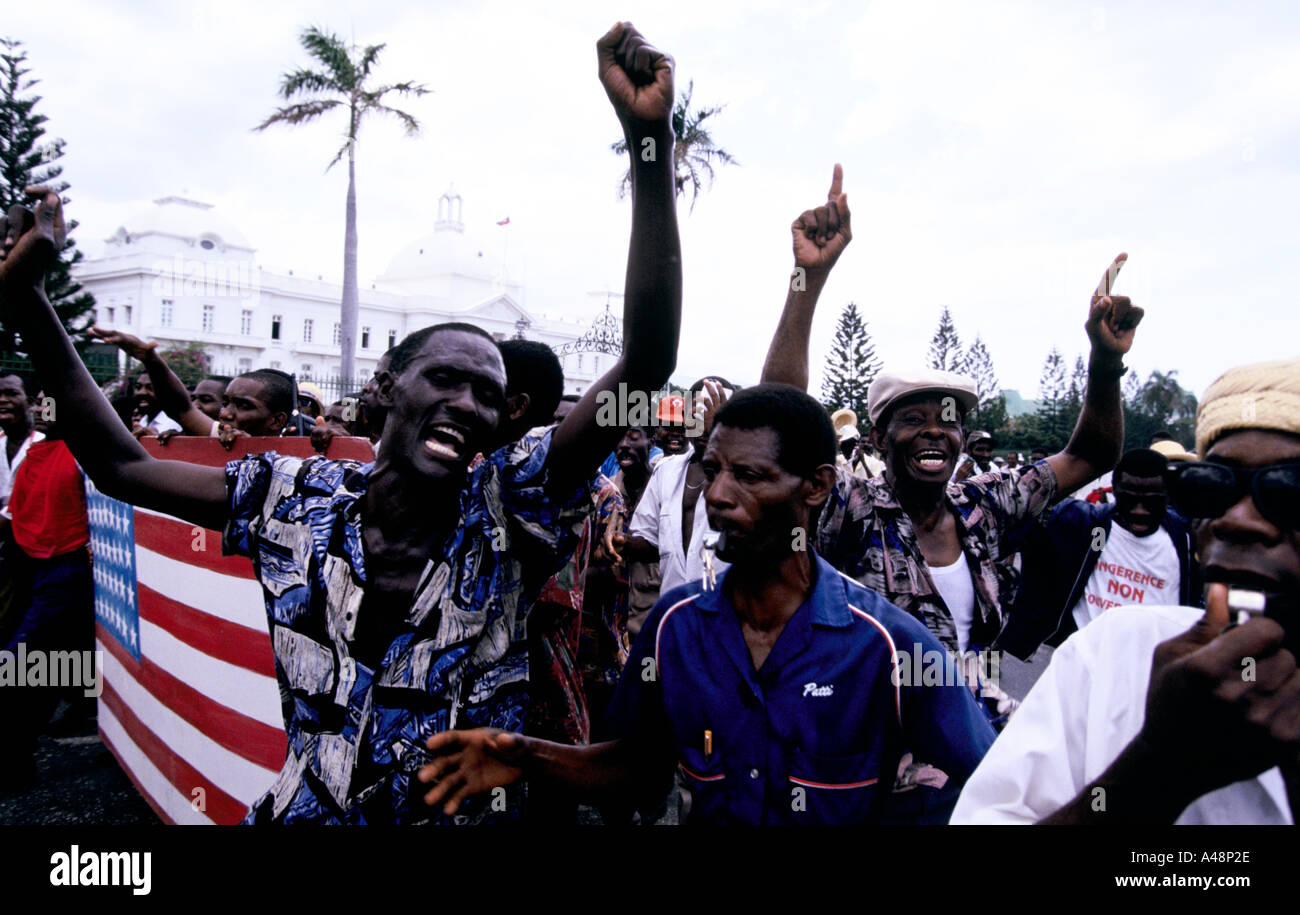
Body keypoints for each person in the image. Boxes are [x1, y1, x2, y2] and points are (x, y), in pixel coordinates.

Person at [0, 18, 682, 824]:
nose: (467, 403)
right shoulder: (289, 497)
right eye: (447, 379)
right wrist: (29, 305)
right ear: (387, 388)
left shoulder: (514, 502)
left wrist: (648, 145)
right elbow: (121, 467)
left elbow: (645, 363)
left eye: (487, 394)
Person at [418, 385, 997, 824]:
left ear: (816, 487)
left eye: (749, 476)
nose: (718, 496)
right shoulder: (675, 628)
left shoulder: (889, 646)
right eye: (714, 470)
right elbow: (636, 771)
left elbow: (994, 782)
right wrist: (530, 756)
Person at [952, 356, 1300, 824]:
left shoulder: (1174, 538)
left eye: (1289, 491)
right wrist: (1157, 764)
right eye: (1212, 486)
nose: (1237, 519)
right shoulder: (1109, 656)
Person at [997, 447, 1201, 660]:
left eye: (1151, 500)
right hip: (1083, 665)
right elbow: (1015, 518)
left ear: (1168, 495)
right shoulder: (1086, 528)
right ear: (1115, 491)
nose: (1139, 510)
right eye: (1130, 499)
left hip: (1151, 670)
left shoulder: (1188, 539)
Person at [0, 392, 93, 790]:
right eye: (39, 402)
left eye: (51, 402)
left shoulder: (86, 455)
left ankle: (14, 763)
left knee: (18, 667)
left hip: (67, 573)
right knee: (39, 670)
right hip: (31, 569)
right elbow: (16, 513)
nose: (42, 408)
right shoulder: (36, 452)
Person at [624, 379, 731, 598]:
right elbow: (650, 539)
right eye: (696, 416)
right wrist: (619, 543)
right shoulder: (665, 471)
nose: (703, 426)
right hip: (675, 610)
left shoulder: (746, 478)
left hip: (727, 613)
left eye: (712, 417)